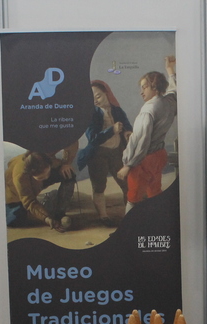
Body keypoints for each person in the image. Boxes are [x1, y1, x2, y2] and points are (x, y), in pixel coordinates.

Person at [117, 56, 177, 214]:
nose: (141, 92)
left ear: (154, 87)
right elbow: (175, 90)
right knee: (154, 192)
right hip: (159, 155)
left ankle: (128, 226)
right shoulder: (169, 102)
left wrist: (128, 165)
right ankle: (156, 222)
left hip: (143, 160)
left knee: (133, 197)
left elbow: (143, 141)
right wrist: (170, 70)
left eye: (144, 87)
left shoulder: (148, 110)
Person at [76, 81, 132, 226]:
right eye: (91, 98)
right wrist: (111, 130)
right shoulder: (90, 113)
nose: (95, 100)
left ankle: (130, 214)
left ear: (107, 93)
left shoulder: (117, 110)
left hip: (117, 152)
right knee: (99, 186)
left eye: (98, 96)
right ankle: (103, 216)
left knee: (126, 184)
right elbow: (93, 138)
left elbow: (127, 125)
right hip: (98, 155)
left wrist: (128, 133)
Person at [5, 141, 78, 232]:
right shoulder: (21, 176)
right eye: (41, 177)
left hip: (36, 182)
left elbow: (72, 141)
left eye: (48, 173)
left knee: (68, 174)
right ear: (31, 174)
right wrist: (47, 218)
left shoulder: (45, 159)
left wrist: (66, 163)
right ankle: (49, 199)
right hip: (14, 198)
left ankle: (59, 213)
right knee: (16, 219)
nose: (47, 178)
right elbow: (29, 201)